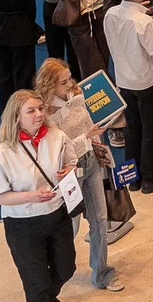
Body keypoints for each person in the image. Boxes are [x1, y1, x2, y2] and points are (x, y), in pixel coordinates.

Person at [0, 91, 79, 302]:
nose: (39, 115)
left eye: (40, 109)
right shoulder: (1, 153)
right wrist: (30, 197)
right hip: (22, 224)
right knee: (35, 281)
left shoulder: (57, 137)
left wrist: (69, 170)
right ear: (16, 117)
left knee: (66, 267)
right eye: (31, 111)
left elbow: (72, 161)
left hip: (56, 214)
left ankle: (47, 298)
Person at [34, 59, 122, 290]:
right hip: (68, 172)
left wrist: (98, 147)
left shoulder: (77, 95)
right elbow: (55, 150)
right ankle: (52, 272)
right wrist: (85, 137)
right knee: (68, 227)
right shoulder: (45, 113)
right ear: (50, 85)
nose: (70, 84)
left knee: (100, 219)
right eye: (63, 82)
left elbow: (89, 124)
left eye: (70, 78)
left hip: (91, 162)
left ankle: (102, 273)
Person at [104, 0, 153, 194]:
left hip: (125, 80)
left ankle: (132, 178)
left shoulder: (110, 14)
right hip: (149, 81)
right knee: (151, 131)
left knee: (132, 129)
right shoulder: (143, 22)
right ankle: (150, 178)